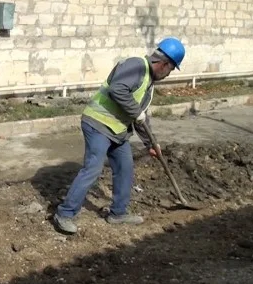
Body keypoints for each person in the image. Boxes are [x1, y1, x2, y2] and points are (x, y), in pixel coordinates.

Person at [52, 37, 186, 234]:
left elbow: (140, 118)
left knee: (125, 168)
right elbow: (117, 90)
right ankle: (64, 214)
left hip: (117, 129)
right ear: (164, 64)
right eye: (171, 69)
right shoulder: (136, 66)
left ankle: (118, 214)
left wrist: (151, 143)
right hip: (98, 123)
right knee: (93, 168)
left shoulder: (148, 82)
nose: (168, 74)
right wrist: (136, 112)